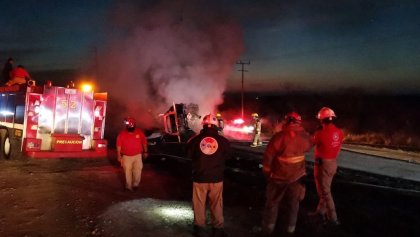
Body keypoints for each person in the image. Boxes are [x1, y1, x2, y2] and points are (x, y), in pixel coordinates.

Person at [261, 112, 312, 235]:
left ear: (287, 121)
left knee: (273, 204)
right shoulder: (305, 137)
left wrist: (267, 173)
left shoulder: (279, 137)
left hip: (278, 178)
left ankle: (268, 229)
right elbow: (309, 146)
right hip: (296, 178)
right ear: (299, 122)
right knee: (293, 205)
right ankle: (290, 230)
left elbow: (268, 157)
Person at [187, 114, 231, 237]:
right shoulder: (223, 141)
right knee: (217, 204)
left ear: (203, 125)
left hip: (199, 178)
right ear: (217, 126)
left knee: (199, 204)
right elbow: (228, 155)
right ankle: (217, 229)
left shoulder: (195, 140)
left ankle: (199, 228)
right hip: (216, 178)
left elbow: (188, 154)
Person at [310, 107, 343, 226]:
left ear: (321, 120)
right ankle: (320, 212)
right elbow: (337, 148)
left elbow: (310, 144)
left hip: (322, 165)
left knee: (325, 192)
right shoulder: (339, 132)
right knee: (326, 189)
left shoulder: (320, 133)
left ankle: (333, 219)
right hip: (333, 163)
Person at [116, 117, 148, 191]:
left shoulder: (139, 132)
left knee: (138, 170)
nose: (131, 129)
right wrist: (118, 156)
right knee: (127, 171)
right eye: (129, 127)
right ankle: (128, 186)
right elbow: (118, 146)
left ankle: (135, 184)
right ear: (127, 127)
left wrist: (145, 152)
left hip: (138, 156)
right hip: (126, 156)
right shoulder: (121, 134)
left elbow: (144, 142)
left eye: (132, 127)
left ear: (135, 126)